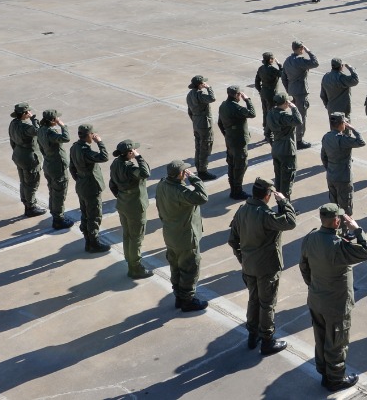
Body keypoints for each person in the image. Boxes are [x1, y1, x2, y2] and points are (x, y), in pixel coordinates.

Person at [300, 203, 367, 391]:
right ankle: (335, 379)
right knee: (336, 342)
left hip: (317, 300)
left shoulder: (310, 238)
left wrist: (314, 286)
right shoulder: (339, 246)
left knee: (321, 338)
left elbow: (304, 267)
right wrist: (357, 230)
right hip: (336, 304)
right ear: (336, 221)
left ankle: (325, 372)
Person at [229, 177, 297, 355]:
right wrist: (284, 202)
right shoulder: (265, 215)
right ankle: (267, 340)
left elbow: (232, 239)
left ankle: (253, 334)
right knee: (267, 304)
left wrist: (242, 258)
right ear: (268, 196)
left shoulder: (242, 211)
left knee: (254, 299)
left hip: (249, 266)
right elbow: (290, 222)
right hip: (267, 267)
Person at [156, 160, 209, 311]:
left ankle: (179, 296)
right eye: (184, 171)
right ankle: (187, 300)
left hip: (170, 234)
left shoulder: (162, 185)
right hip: (185, 237)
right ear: (180, 174)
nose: (186, 173)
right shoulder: (181, 191)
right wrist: (195, 179)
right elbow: (202, 197)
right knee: (189, 269)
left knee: (175, 266)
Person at [109, 139, 153, 279]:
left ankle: (130, 261)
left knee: (127, 234)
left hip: (123, 203)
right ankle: (135, 267)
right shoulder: (131, 168)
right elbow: (146, 173)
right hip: (135, 206)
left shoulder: (115, 164)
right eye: (133, 150)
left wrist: (122, 195)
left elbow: (112, 184)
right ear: (129, 153)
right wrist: (139, 157)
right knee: (136, 238)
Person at [70, 123, 111, 252]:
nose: (94, 136)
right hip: (91, 186)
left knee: (85, 214)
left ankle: (88, 241)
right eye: (92, 135)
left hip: (82, 184)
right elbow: (104, 157)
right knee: (94, 215)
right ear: (88, 135)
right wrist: (100, 142)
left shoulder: (74, 147)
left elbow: (71, 167)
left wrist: (80, 179)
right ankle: (94, 243)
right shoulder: (85, 151)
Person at [321, 113, 366, 215]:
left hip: (331, 175)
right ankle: (344, 229)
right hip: (343, 177)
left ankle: (334, 227)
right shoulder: (342, 139)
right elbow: (361, 142)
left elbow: (323, 156)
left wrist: (330, 169)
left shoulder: (326, 137)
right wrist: (353, 129)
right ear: (341, 124)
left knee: (333, 206)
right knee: (345, 207)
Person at [218, 84, 258, 200]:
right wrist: (247, 100)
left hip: (230, 140)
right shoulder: (236, 108)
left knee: (231, 164)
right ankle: (237, 191)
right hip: (239, 141)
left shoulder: (223, 106)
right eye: (239, 94)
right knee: (240, 166)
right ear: (236, 95)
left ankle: (233, 189)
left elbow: (220, 123)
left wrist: (227, 134)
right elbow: (252, 113)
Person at [37, 109, 74, 230]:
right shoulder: (50, 133)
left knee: (53, 191)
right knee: (59, 193)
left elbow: (41, 148)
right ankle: (58, 219)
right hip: (57, 166)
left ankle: (56, 214)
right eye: (56, 119)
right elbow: (66, 138)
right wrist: (63, 125)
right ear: (53, 120)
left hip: (49, 164)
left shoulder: (41, 130)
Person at [9, 103, 47, 218]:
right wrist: (34, 120)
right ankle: (31, 207)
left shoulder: (13, 124)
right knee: (31, 183)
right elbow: (38, 131)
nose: (30, 113)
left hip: (18, 155)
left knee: (23, 181)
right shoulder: (26, 127)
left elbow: (12, 141)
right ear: (25, 113)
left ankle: (26, 202)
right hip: (29, 158)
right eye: (28, 112)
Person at [282, 41, 320, 147]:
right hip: (300, 92)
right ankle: (299, 140)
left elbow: (283, 77)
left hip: (292, 91)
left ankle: (295, 136)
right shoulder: (300, 61)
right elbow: (315, 63)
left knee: (295, 115)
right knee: (301, 116)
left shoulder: (287, 61)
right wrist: (309, 52)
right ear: (300, 49)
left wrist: (289, 89)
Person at [267, 92, 304, 198]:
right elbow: (298, 121)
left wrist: (274, 144)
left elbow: (267, 133)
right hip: (287, 149)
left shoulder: (270, 113)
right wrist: (294, 108)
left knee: (278, 179)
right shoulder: (284, 115)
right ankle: (285, 208)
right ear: (284, 103)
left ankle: (280, 204)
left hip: (276, 148)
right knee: (287, 181)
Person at [186, 75, 218, 181]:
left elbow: (189, 111)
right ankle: (202, 171)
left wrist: (195, 120)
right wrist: (209, 88)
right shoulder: (200, 94)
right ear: (200, 85)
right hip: (204, 124)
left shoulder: (189, 95)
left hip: (196, 123)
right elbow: (212, 98)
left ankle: (199, 167)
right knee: (205, 148)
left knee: (198, 147)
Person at [319, 58, 360, 142]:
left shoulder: (326, 77)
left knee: (334, 133)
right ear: (341, 66)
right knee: (345, 135)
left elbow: (322, 95)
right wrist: (351, 69)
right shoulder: (341, 78)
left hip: (332, 109)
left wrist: (328, 105)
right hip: (343, 110)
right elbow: (355, 80)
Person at [254, 51, 284, 145]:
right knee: (272, 113)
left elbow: (256, 82)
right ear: (270, 59)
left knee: (265, 112)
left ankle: (266, 131)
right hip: (272, 94)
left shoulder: (261, 68)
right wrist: (280, 65)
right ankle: (269, 134)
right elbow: (282, 74)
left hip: (264, 93)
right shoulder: (272, 69)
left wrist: (261, 91)